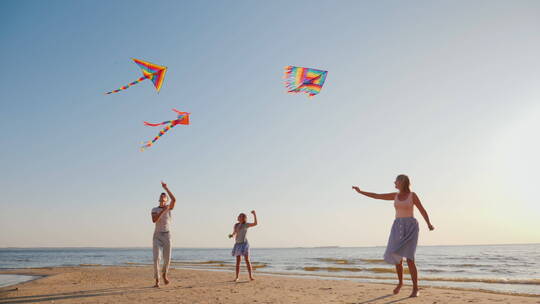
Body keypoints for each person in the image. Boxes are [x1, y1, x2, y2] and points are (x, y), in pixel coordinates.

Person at [352, 174, 434, 298]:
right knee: (397, 257)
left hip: (411, 227)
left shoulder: (412, 195)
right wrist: (360, 191)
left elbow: (422, 209)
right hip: (398, 227)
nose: (394, 182)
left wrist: (429, 223)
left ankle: (415, 288)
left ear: (402, 182)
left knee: (410, 259)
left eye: (396, 180)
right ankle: (400, 283)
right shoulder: (394, 196)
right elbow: (377, 196)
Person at [151, 181, 176, 288]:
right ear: (159, 199)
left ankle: (164, 274)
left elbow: (174, 199)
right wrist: (162, 211)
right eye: (161, 196)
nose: (163, 197)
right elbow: (154, 220)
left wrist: (166, 188)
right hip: (157, 236)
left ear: (166, 200)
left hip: (167, 235)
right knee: (156, 258)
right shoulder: (154, 209)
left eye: (164, 196)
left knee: (167, 258)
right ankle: (157, 280)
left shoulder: (169, 208)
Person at [228, 210, 258, 282]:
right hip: (238, 244)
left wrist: (254, 214)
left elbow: (255, 223)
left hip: (244, 244)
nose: (239, 217)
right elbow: (234, 233)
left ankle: (251, 276)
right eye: (239, 216)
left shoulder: (246, 225)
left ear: (244, 218)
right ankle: (237, 277)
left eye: (241, 216)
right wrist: (232, 235)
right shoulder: (236, 225)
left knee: (247, 260)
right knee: (238, 261)